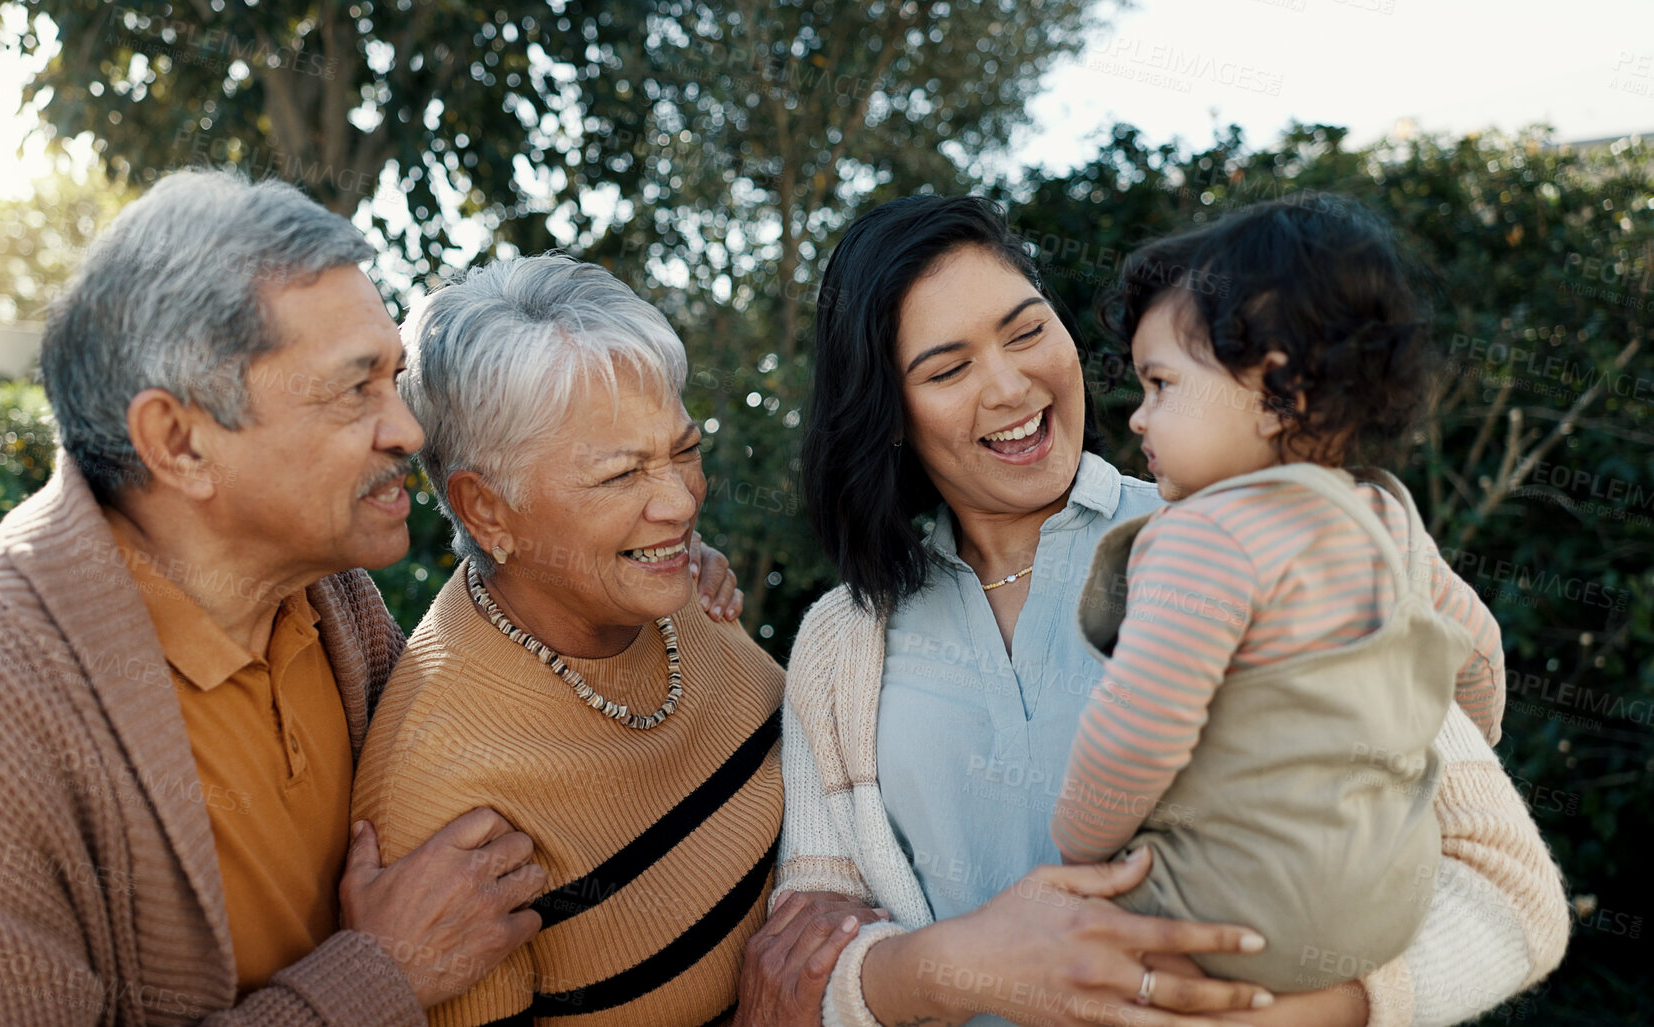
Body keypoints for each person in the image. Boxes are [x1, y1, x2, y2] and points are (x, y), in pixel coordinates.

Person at [0, 170, 743, 1025]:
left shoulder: (327, 601)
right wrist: (376, 978)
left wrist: (633, 568)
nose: (408, 430)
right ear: (179, 441)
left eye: (396, 378)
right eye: (355, 389)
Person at [776, 194, 1569, 1027]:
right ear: (887, 413)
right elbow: (802, 961)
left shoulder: (1261, 531)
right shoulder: (840, 642)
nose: (1009, 384)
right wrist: (947, 970)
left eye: (1025, 331)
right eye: (947, 370)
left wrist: (1275, 1019)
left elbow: (1508, 896)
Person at [352, 255, 878, 1027]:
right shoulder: (444, 803)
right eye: (621, 475)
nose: (678, 502)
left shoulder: (674, 590)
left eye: (684, 451)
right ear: (487, 509)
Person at [1049, 194, 1507, 991]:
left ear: (1274, 391)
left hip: (1229, 908)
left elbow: (1135, 734)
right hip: (1390, 906)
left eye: (1159, 384)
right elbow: (1478, 655)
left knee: (1061, 946)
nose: (1138, 419)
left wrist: (1078, 846)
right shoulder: (1388, 520)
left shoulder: (1205, 533)